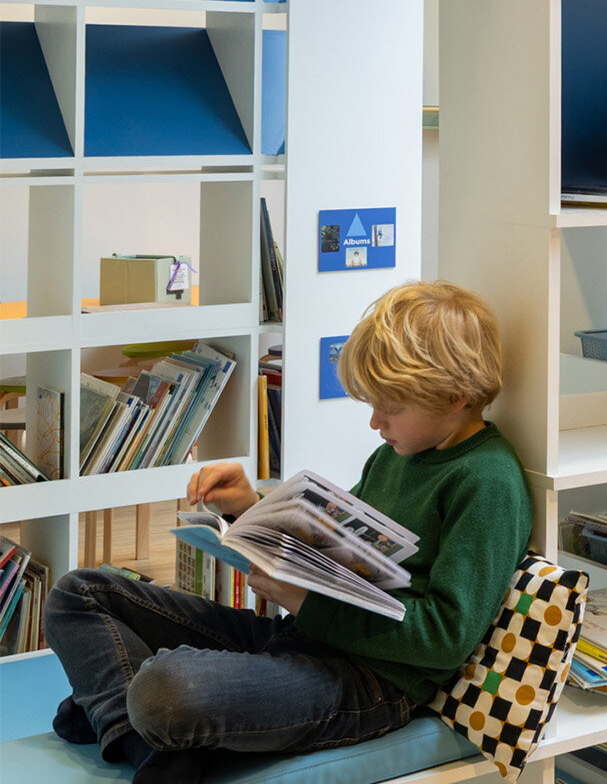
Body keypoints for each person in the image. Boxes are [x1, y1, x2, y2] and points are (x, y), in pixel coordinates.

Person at [44, 280, 532, 782]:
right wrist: (250, 510)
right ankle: (146, 743)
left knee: (166, 689)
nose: (374, 423)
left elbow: (444, 640)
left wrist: (306, 603)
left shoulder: (487, 482)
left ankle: (125, 717)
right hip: (295, 640)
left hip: (369, 683)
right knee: (79, 593)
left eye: (391, 408)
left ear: (455, 396)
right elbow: (337, 552)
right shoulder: (395, 454)